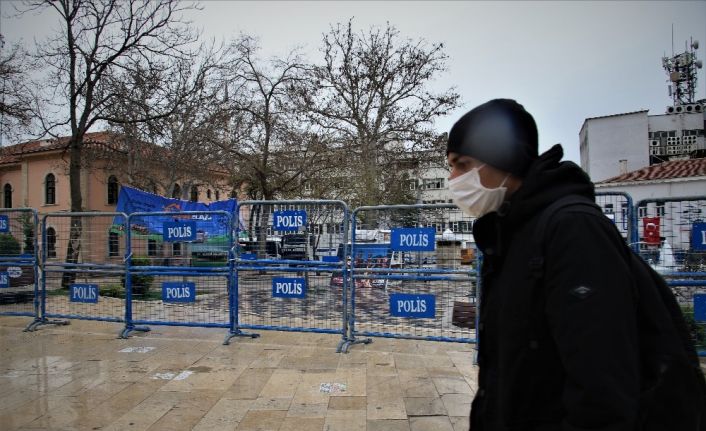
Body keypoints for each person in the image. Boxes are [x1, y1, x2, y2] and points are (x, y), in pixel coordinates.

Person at [446, 98, 706, 430]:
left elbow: (603, 391)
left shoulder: (573, 230)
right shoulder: (511, 232)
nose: (453, 178)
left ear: (503, 158)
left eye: (463, 164)